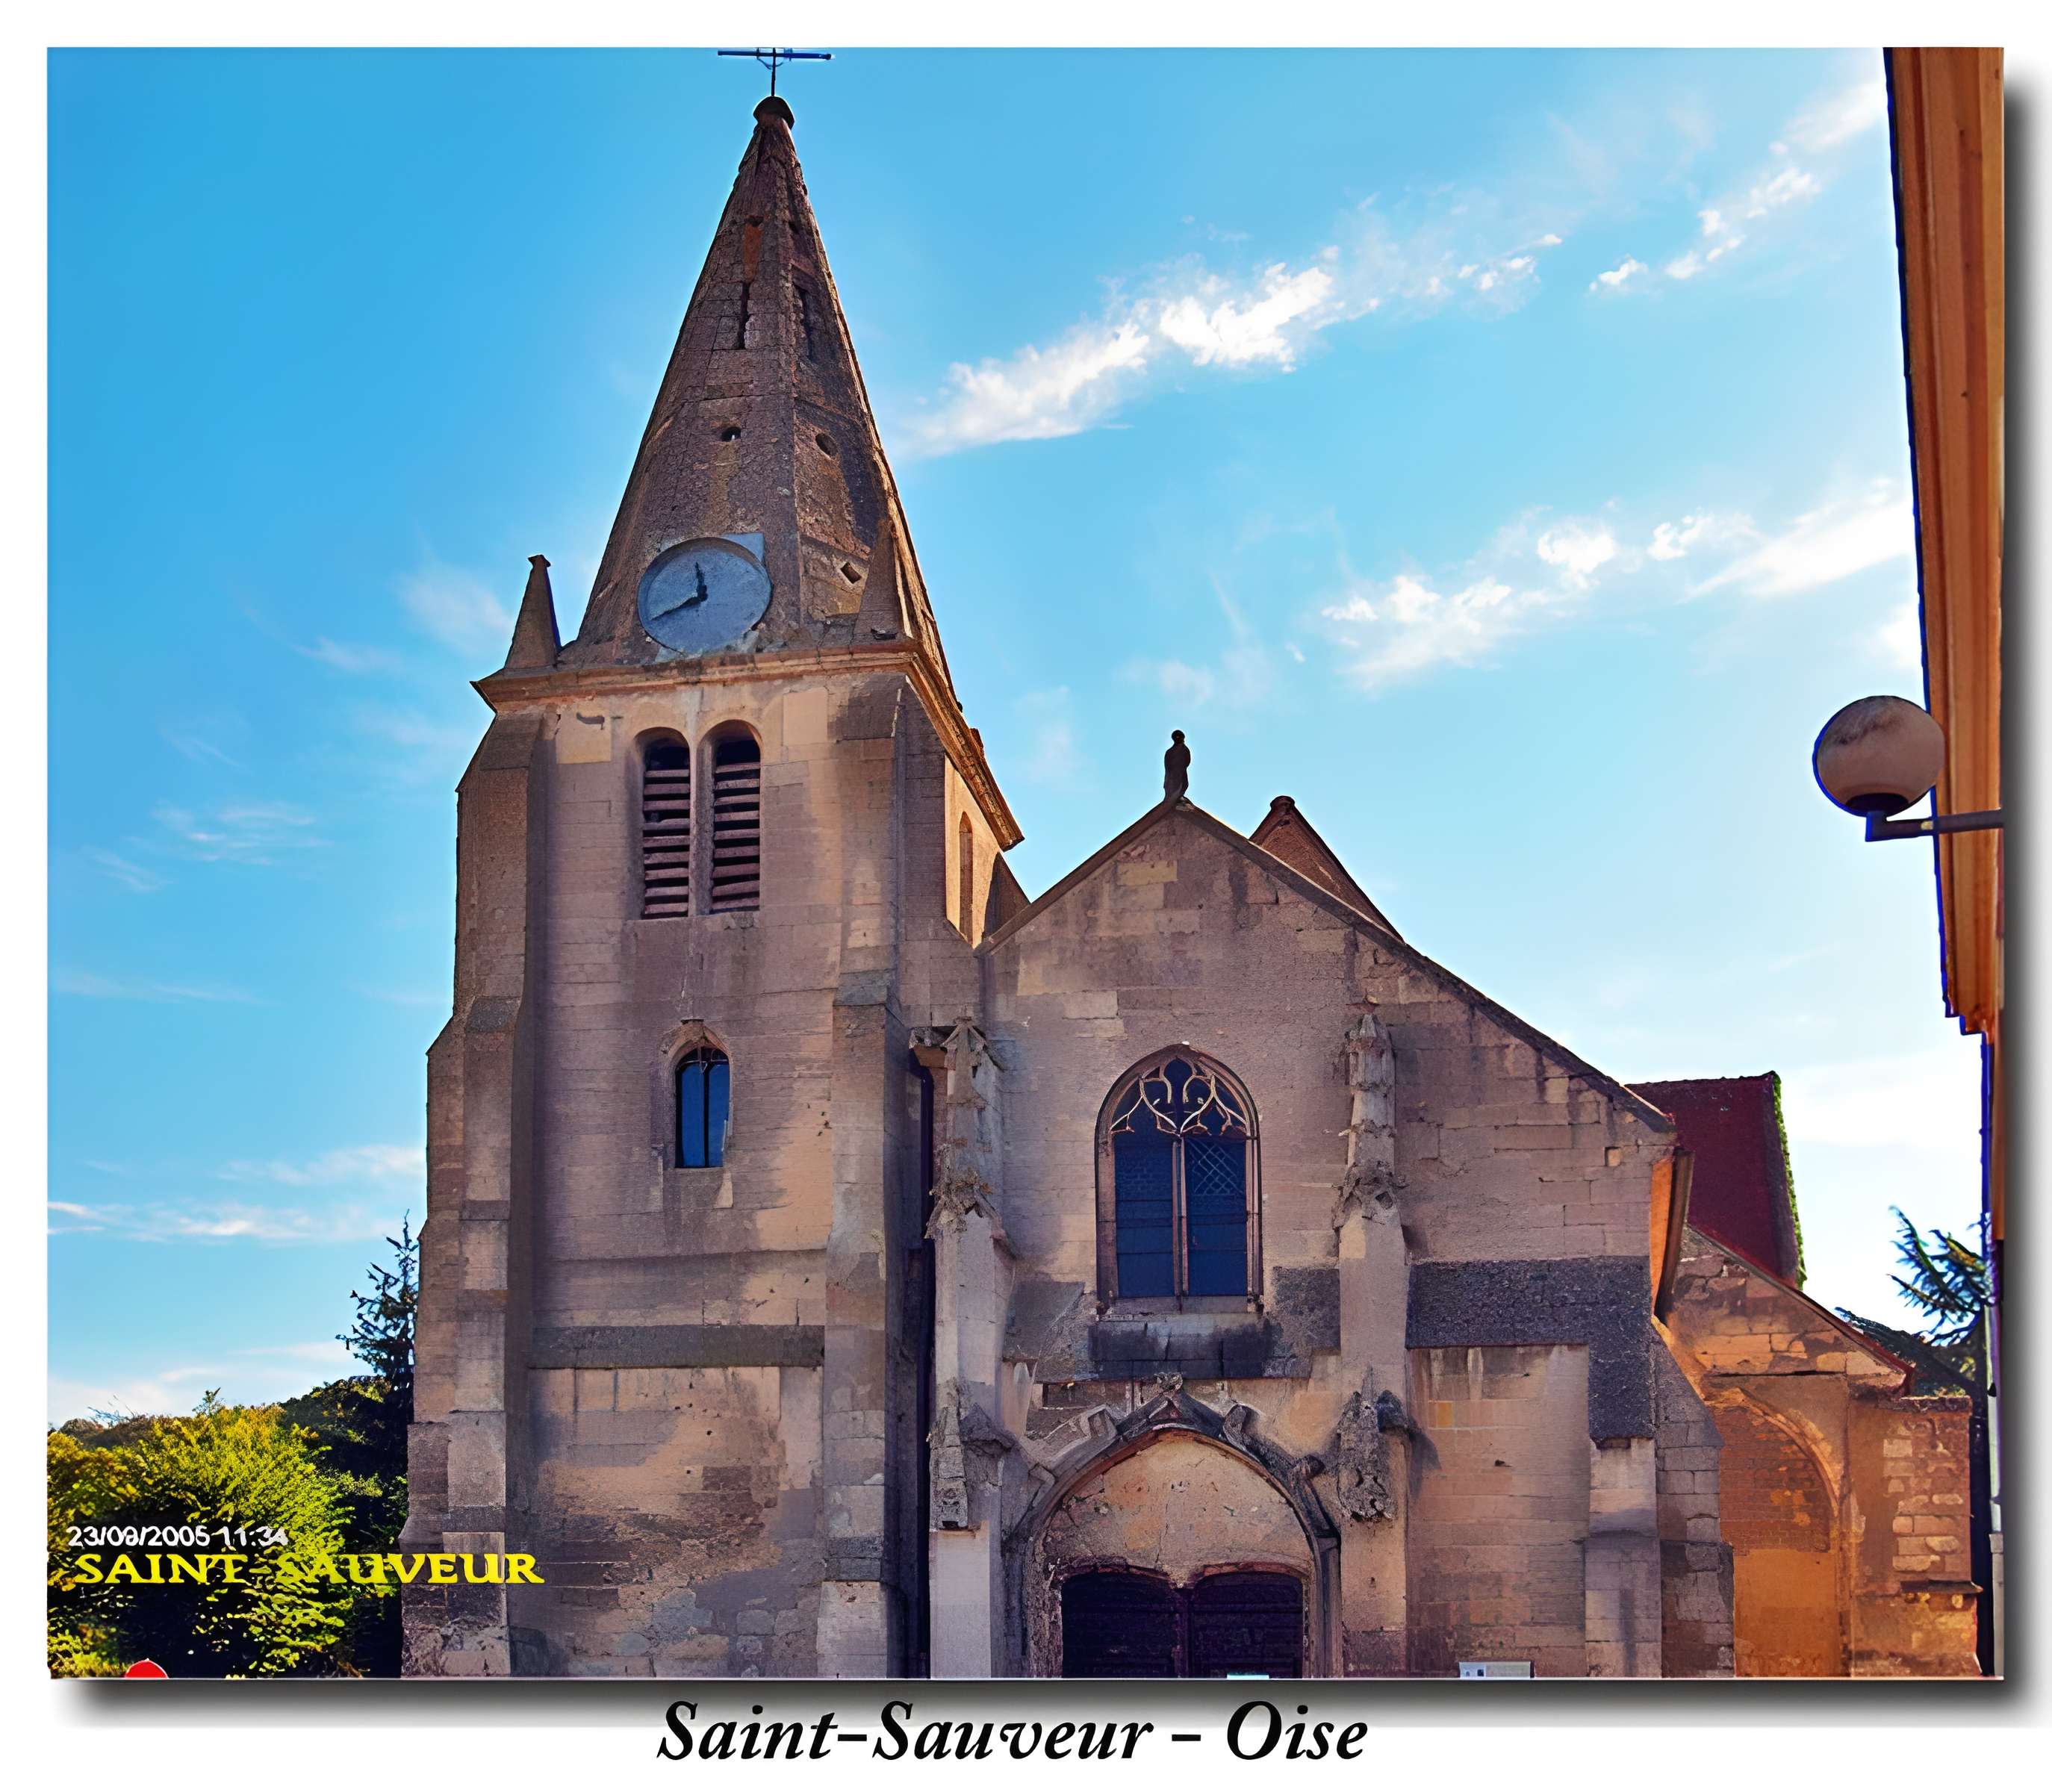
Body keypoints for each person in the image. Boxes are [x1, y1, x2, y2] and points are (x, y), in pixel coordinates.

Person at [1163, 729, 1190, 803]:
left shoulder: (1184, 749)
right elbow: (1167, 766)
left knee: (1183, 784)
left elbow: (1187, 761)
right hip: (1172, 775)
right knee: (1175, 785)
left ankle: (1178, 796)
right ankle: (1174, 798)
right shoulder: (1170, 752)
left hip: (1180, 773)